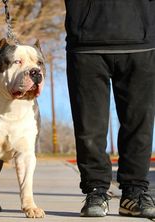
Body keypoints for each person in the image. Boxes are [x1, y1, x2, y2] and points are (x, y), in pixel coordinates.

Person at [64, 0, 155, 218]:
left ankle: (134, 194)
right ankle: (96, 191)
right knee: (89, 129)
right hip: (85, 44)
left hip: (142, 42)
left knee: (139, 125)